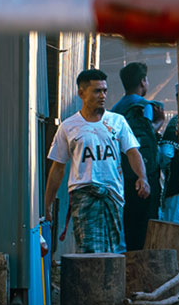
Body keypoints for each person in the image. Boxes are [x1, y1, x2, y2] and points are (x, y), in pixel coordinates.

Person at [45, 69, 149, 254]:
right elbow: (58, 168)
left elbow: (133, 152)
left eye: (104, 91)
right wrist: (47, 204)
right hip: (83, 194)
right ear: (81, 93)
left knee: (115, 249)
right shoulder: (69, 126)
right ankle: (91, 283)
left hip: (113, 194)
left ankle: (111, 283)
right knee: (89, 249)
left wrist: (142, 177)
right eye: (97, 91)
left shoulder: (117, 122)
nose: (102, 96)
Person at [112, 62, 162, 251]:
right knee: (145, 231)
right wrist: (159, 122)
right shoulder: (143, 107)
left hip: (122, 176)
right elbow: (142, 142)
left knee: (128, 227)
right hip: (142, 179)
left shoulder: (116, 109)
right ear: (143, 81)